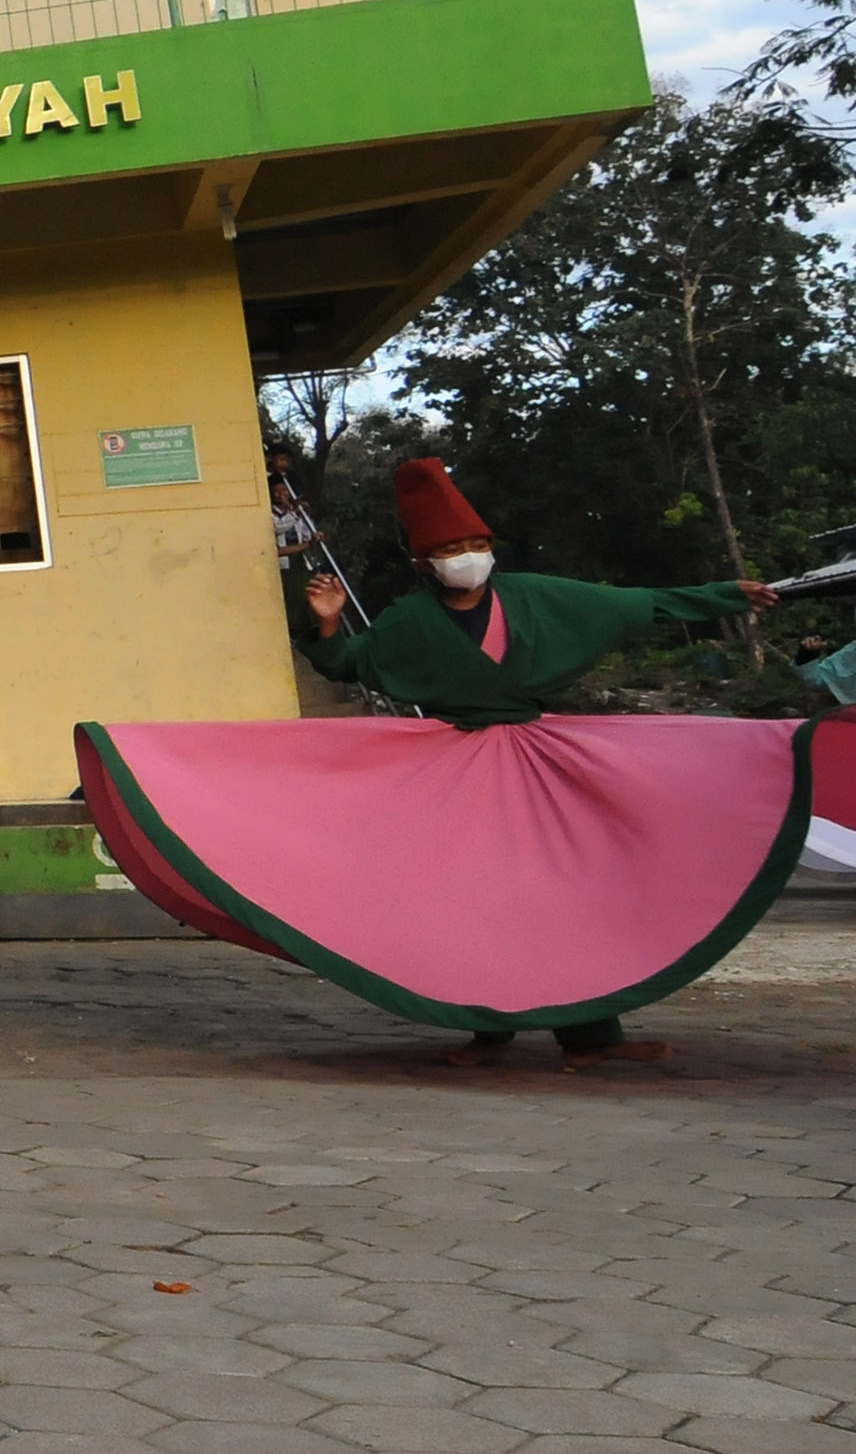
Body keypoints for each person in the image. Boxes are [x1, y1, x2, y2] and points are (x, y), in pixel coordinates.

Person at [82, 457, 814, 1076]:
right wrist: (330, 622)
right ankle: (486, 1025)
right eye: (451, 545)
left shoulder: (535, 597)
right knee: (474, 897)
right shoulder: (407, 621)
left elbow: (639, 604)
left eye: (473, 540)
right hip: (459, 767)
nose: (466, 552)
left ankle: (593, 1035)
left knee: (570, 888)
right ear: (424, 562)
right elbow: (349, 663)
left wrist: (726, 594)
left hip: (538, 759)